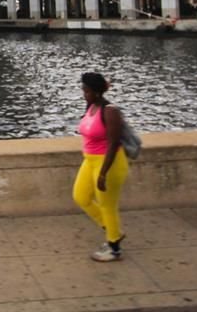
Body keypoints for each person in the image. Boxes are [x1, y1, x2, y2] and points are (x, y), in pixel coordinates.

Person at [73, 72, 130, 262]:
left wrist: (103, 174)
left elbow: (113, 144)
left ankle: (114, 248)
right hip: (89, 160)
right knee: (81, 197)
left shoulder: (110, 111)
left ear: (97, 92)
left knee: (107, 205)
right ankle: (112, 230)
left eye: (87, 91)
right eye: (83, 90)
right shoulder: (92, 106)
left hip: (109, 163)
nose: (84, 94)